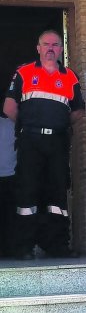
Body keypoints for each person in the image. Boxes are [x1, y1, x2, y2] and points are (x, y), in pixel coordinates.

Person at [3, 30, 85, 260]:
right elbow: (9, 108)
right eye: (45, 44)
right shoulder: (24, 73)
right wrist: (31, 125)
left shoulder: (70, 76)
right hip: (30, 142)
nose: (50, 48)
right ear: (38, 48)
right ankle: (23, 247)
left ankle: (57, 246)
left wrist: (56, 125)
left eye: (55, 44)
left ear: (61, 49)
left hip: (57, 142)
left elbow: (78, 110)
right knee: (27, 193)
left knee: (57, 194)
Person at [0, 96, 17, 258]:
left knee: (9, 217)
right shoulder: (13, 125)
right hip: (11, 176)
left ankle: (10, 248)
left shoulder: (13, 125)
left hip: (11, 177)